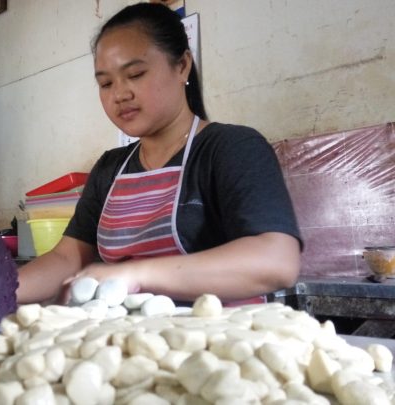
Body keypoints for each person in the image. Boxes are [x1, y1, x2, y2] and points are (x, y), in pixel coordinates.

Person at [17, 3, 302, 305]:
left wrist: (135, 275)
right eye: (106, 83)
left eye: (136, 74)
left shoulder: (231, 148)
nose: (119, 94)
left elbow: (276, 259)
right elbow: (67, 258)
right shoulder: (110, 169)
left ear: (182, 66)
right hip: (127, 342)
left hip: (218, 341)